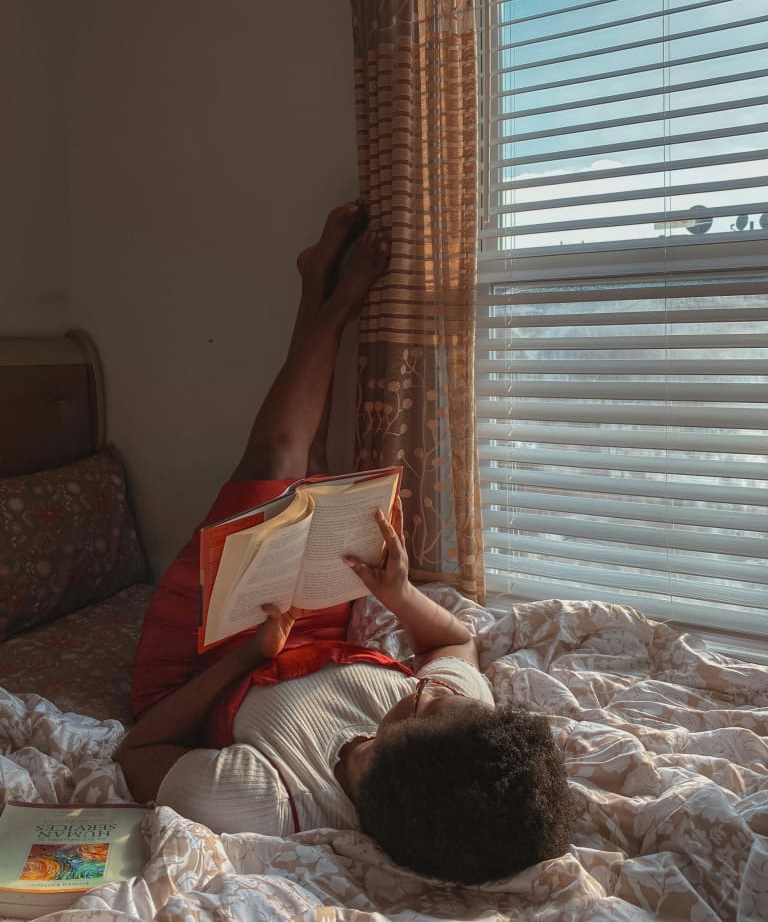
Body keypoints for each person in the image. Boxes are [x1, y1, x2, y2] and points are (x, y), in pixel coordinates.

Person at [118, 202, 574, 885]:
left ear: (398, 775)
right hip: (309, 626)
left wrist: (248, 654)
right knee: (313, 468)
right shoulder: (458, 734)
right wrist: (399, 593)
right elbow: (455, 645)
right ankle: (314, 281)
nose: (425, 690)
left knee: (275, 454)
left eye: (423, 706)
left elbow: (140, 745)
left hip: (207, 657)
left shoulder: (266, 799)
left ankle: (340, 298)